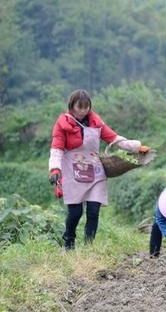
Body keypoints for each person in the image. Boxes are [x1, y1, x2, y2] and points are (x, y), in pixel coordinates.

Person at [48, 89, 150, 250]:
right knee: (75, 212)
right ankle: (69, 242)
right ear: (72, 106)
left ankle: (89, 247)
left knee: (94, 210)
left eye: (86, 107)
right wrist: (55, 169)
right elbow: (57, 149)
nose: (83, 110)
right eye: (79, 107)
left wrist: (137, 147)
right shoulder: (63, 124)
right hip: (71, 170)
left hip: (94, 170)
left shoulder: (96, 122)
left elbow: (114, 139)